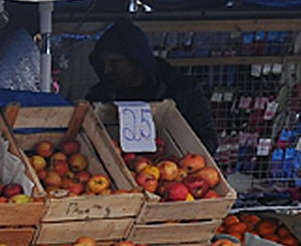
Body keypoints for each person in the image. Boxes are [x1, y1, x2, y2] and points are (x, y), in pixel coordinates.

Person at [86, 19, 220, 155]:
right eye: (104, 63)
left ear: (135, 59)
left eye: (114, 62)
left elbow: (207, 141)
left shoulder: (182, 90)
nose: (107, 69)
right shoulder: (101, 95)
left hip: (175, 168)